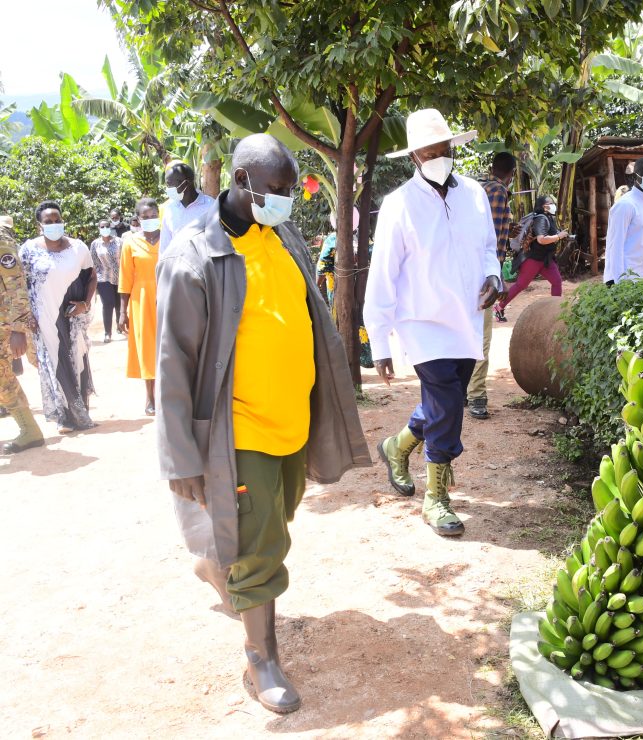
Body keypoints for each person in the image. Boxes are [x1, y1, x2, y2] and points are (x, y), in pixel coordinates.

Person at [156, 133, 369, 714]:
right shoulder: (194, 257)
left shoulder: (281, 234)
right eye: (274, 191)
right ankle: (262, 660)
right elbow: (173, 362)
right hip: (238, 430)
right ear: (241, 180)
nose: (283, 202)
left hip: (292, 422)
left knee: (274, 521)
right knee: (261, 545)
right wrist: (180, 460)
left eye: (288, 192)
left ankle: (215, 562)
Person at [366, 108, 503, 537]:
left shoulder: (475, 194)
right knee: (446, 400)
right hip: (421, 323)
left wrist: (494, 275)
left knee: (447, 400)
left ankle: (398, 446)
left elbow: (487, 247)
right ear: (414, 159)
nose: (440, 157)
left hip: (466, 318)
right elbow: (383, 274)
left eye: (445, 149)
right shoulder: (398, 205)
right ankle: (436, 498)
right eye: (430, 152)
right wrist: (380, 344)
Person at [19, 201, 97, 433]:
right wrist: (27, 316)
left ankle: (82, 413)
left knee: (77, 358)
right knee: (54, 363)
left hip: (73, 318)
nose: (54, 224)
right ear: (39, 226)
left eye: (57, 220)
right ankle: (65, 417)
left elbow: (91, 276)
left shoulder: (78, 248)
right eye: (48, 222)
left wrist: (85, 303)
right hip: (45, 320)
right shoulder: (28, 250)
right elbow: (21, 285)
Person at [466, 151, 516, 420]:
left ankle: (465, 390)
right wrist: (499, 277)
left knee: (464, 332)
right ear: (512, 173)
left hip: (462, 273)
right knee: (481, 337)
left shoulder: (475, 187)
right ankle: (476, 396)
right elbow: (493, 239)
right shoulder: (498, 192)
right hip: (483, 276)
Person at [0, 215, 44, 454]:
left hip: (5, 321)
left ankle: (30, 430)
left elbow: (16, 282)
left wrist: (18, 329)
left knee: (2, 378)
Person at [119, 198, 161, 416]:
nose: (150, 220)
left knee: (167, 346)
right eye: (145, 217)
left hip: (166, 296)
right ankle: (150, 396)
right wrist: (121, 312)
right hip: (141, 300)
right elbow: (125, 279)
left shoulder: (170, 238)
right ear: (138, 219)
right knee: (146, 347)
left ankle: (168, 395)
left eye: (154, 216)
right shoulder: (130, 243)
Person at [493, 194, 567, 315]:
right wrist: (558, 237)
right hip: (532, 259)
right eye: (550, 204)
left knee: (557, 281)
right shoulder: (541, 219)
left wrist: (560, 235)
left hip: (545, 259)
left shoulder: (548, 217)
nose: (553, 205)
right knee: (521, 285)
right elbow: (541, 239)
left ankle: (555, 311)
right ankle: (499, 307)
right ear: (544, 207)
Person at [604, 157, 643, 285]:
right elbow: (615, 247)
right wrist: (620, 282)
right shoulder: (626, 205)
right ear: (636, 177)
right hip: (625, 280)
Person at [160, 161, 215, 251]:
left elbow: (218, 242)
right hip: (177, 263)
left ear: (186, 183)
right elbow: (164, 246)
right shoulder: (170, 209)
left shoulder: (211, 206)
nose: (168, 189)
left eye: (169, 184)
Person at [90, 218, 122, 343]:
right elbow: (93, 261)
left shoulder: (119, 242)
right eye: (102, 227)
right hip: (103, 277)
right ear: (98, 228)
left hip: (120, 277)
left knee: (119, 304)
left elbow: (125, 258)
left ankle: (120, 326)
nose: (104, 229)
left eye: (106, 226)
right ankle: (107, 332)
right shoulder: (95, 244)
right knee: (108, 304)